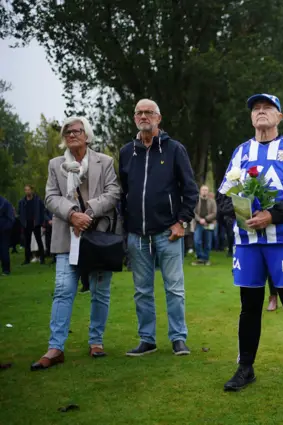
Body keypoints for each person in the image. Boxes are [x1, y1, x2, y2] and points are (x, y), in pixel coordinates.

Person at [218, 93, 283, 392]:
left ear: (279, 117)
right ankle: (245, 368)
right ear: (251, 118)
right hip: (247, 244)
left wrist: (272, 216)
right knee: (249, 308)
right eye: (256, 109)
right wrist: (242, 214)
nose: (261, 113)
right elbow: (224, 197)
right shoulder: (240, 152)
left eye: (267, 108)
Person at [31, 116, 120, 370]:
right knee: (62, 290)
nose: (71, 135)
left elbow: (113, 193)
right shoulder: (55, 164)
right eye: (67, 131)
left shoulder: (105, 162)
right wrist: (71, 214)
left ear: (87, 135)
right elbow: (50, 197)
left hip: (98, 237)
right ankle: (55, 347)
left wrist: (88, 212)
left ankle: (96, 342)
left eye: (76, 131)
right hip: (66, 237)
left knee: (100, 292)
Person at [119, 99, 198, 357]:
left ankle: (178, 338)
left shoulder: (175, 149)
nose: (144, 116)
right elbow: (123, 193)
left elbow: (190, 190)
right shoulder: (126, 152)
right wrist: (125, 228)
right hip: (137, 235)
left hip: (168, 232)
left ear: (158, 118)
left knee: (174, 288)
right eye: (139, 113)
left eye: (149, 112)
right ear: (134, 118)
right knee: (142, 291)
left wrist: (181, 222)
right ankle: (147, 340)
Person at [18, 184, 46, 265]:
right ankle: (27, 259)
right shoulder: (22, 202)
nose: (27, 191)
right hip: (27, 223)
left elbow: (42, 211)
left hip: (35, 223)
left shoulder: (37, 200)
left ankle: (42, 259)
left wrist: (41, 222)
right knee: (27, 242)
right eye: (26, 190)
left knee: (39, 241)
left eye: (28, 190)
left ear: (31, 190)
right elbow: (20, 212)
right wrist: (22, 222)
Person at [192, 185, 217, 266]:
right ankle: (201, 258)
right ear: (200, 191)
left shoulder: (212, 201)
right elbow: (193, 212)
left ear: (208, 191)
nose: (204, 191)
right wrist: (200, 220)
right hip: (198, 224)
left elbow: (214, 213)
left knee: (208, 243)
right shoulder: (195, 200)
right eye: (203, 190)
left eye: (206, 190)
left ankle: (205, 259)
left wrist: (205, 219)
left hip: (209, 224)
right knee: (197, 241)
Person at [0, 195, 15, 276]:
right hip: (5, 228)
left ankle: (6, 269)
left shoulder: (5, 202)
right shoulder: (5, 202)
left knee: (4, 249)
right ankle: (5, 269)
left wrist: (7, 228)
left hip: (4, 230)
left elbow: (11, 218)